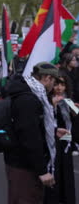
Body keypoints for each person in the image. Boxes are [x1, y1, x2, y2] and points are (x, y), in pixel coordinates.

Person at [4, 62, 66, 204]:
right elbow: (29, 136)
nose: (54, 86)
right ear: (46, 78)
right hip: (24, 164)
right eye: (54, 81)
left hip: (20, 161)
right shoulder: (29, 98)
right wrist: (42, 171)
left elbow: (31, 127)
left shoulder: (31, 93)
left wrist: (54, 131)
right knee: (26, 198)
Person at [44, 76, 78, 204]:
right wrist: (53, 106)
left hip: (66, 140)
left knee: (66, 169)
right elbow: (45, 120)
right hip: (52, 138)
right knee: (54, 168)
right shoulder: (47, 99)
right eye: (57, 84)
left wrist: (74, 113)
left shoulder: (68, 100)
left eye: (62, 85)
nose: (59, 88)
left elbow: (73, 121)